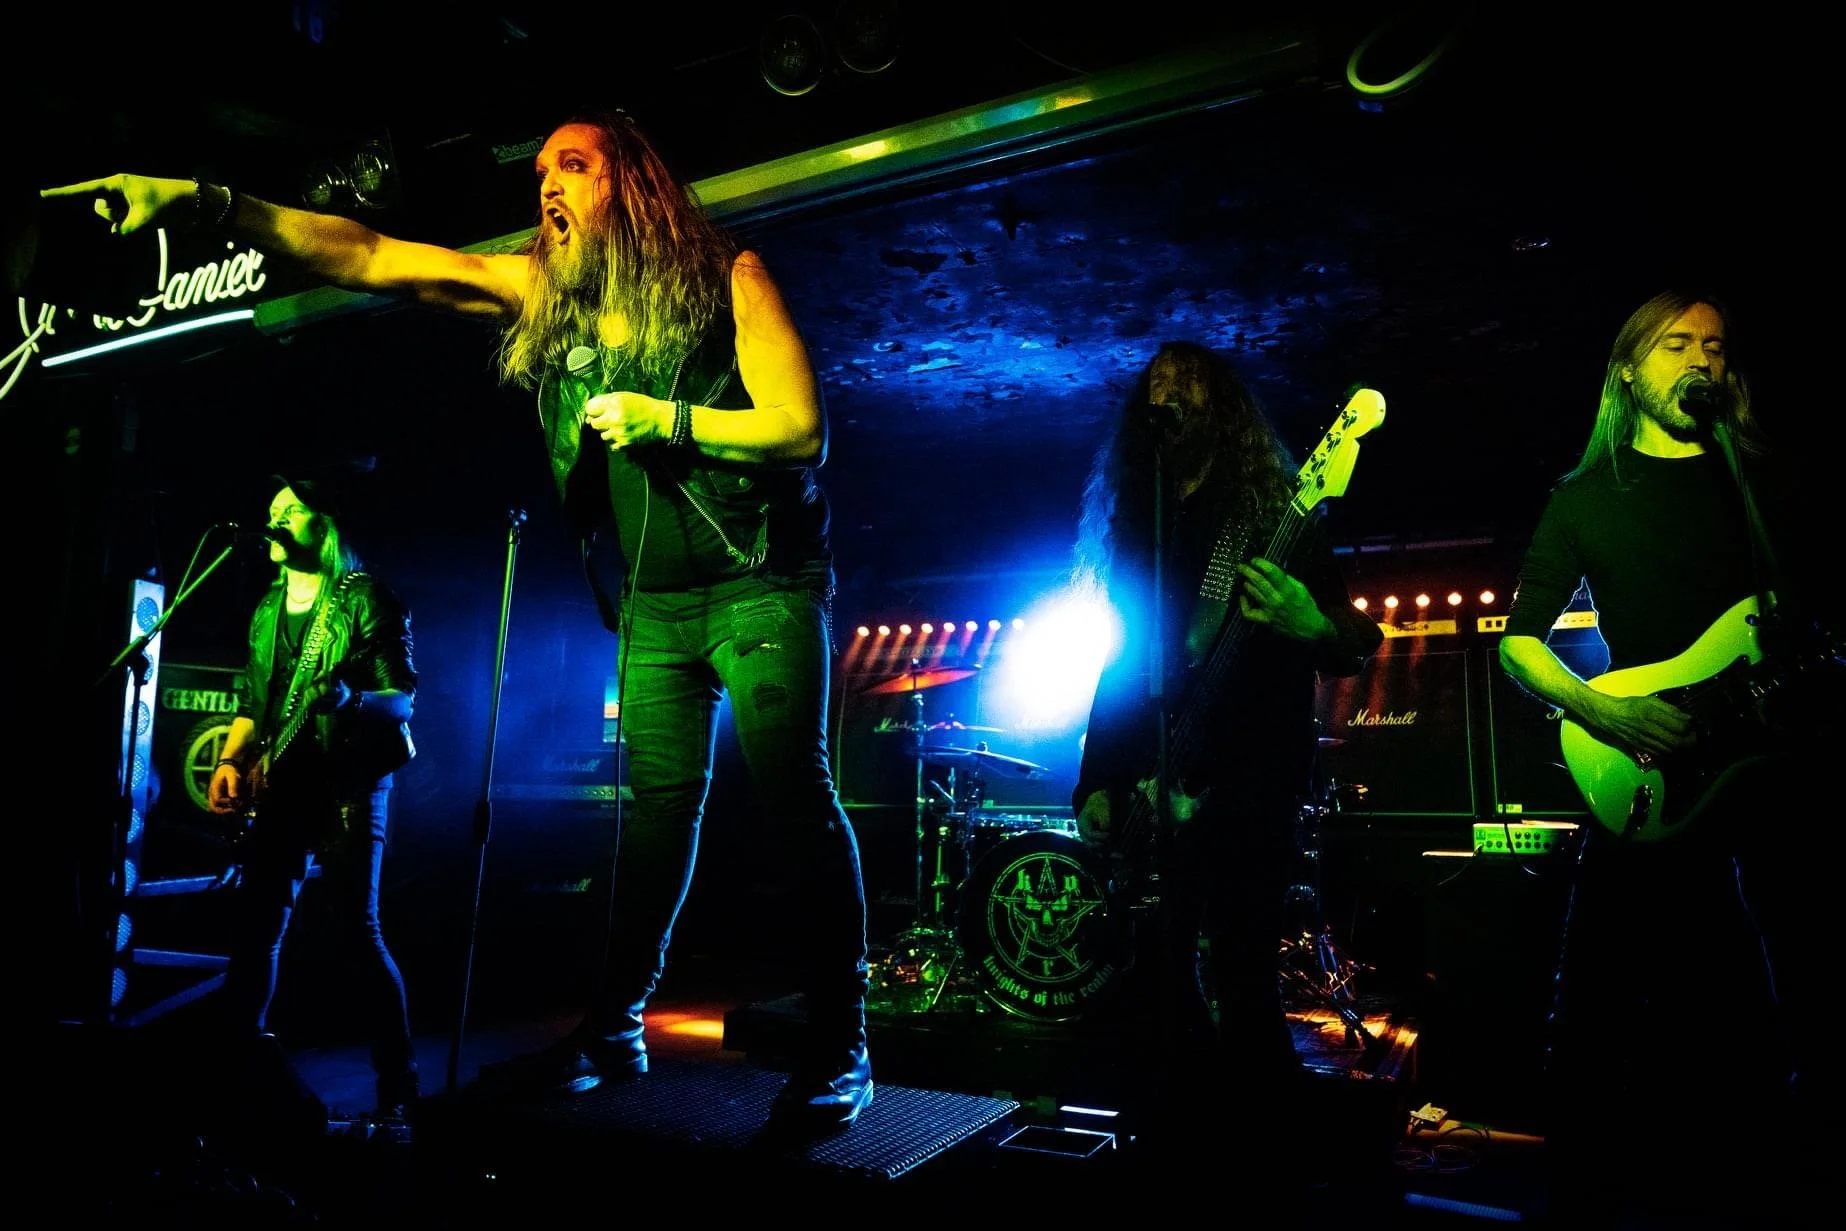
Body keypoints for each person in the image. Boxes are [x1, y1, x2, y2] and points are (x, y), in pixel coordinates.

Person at [43, 109, 873, 1131]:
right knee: (656, 823)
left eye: (574, 165)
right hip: (655, 605)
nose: (548, 184)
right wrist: (208, 202)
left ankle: (842, 1043)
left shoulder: (726, 277)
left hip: (763, 581)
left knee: (795, 797)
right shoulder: (549, 298)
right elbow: (372, 255)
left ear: (632, 185)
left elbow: (801, 429)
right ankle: (615, 1027)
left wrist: (670, 418)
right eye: (540, 171)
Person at [1498, 289, 1839, 1222]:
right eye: (1677, 343)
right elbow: (1519, 646)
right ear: (1627, 371)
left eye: (1715, 346)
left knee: (1786, 989)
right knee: (1595, 1004)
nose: (1702, 360)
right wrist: (1607, 713)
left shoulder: (1765, 483)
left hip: (1776, 765)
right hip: (1653, 771)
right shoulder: (1585, 498)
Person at [1070, 340, 1383, 1183]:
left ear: (1222, 405)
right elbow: (1124, 663)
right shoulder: (1142, 523)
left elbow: (1355, 636)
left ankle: (1269, 1160)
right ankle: (1183, 1145)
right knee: (1157, 974)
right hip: (1159, 772)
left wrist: (1308, 623)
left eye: (1186, 385)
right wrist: (1097, 778)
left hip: (1251, 776)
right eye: (1157, 387)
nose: (1167, 398)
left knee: (1244, 972)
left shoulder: (1275, 512)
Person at [209, 474, 420, 1128]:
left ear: (325, 525)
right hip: (284, 791)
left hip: (348, 786)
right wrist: (230, 761)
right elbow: (255, 706)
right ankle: (240, 1078)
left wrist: (350, 700)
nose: (275, 519)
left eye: (291, 510)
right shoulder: (268, 608)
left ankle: (399, 1089)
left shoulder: (363, 597)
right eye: (272, 509)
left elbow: (403, 700)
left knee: (360, 932)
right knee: (256, 933)